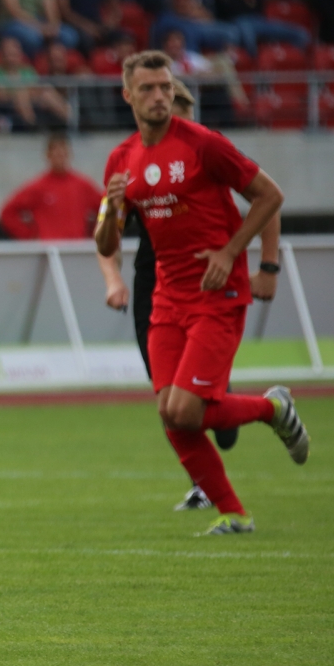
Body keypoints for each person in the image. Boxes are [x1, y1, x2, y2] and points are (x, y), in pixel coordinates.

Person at [96, 51, 311, 535]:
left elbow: (270, 195)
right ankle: (234, 514)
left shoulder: (203, 144)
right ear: (128, 95)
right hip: (166, 299)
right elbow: (107, 243)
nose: (159, 96)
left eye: (165, 87)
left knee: (187, 409)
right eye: (148, 89)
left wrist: (234, 253)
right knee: (171, 414)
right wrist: (111, 207)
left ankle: (274, 409)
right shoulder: (121, 159)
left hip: (217, 293)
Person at [96, 79, 227, 511]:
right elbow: (106, 234)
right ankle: (202, 483)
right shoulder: (132, 163)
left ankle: (233, 404)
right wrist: (113, 280)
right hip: (154, 285)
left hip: (205, 282)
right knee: (165, 395)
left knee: (195, 400)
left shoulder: (207, 159)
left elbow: (260, 201)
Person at [0, 133, 102, 240]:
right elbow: (7, 212)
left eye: (63, 152)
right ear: (48, 155)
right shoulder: (38, 187)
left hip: (77, 247)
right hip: (49, 247)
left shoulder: (82, 186)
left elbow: (105, 208)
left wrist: (94, 233)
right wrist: (29, 236)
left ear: (69, 154)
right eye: (55, 152)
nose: (59, 156)